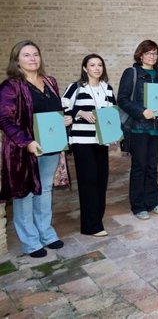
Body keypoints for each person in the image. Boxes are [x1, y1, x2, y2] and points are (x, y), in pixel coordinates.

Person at [0, 40, 71, 257]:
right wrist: (27, 142)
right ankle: (31, 242)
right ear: (17, 61)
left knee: (45, 190)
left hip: (49, 146)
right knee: (26, 193)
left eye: (36, 54)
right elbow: (5, 119)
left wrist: (63, 120)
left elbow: (54, 111)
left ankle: (47, 233)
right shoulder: (11, 86)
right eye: (27, 55)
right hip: (24, 150)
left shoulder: (50, 82)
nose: (33, 58)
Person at [62, 53, 116, 237]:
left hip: (102, 140)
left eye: (100, 65)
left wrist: (114, 131)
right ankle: (90, 226)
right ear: (85, 68)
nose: (97, 68)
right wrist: (80, 112)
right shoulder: (75, 87)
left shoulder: (107, 88)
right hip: (82, 141)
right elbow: (62, 106)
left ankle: (97, 219)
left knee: (101, 180)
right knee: (88, 181)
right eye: (92, 65)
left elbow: (113, 112)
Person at [118, 39, 158, 220]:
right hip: (139, 128)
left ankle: (153, 202)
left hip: (156, 128)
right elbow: (122, 99)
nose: (152, 56)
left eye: (155, 53)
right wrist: (142, 112)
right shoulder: (131, 73)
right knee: (139, 167)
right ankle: (138, 205)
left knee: (152, 167)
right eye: (148, 53)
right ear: (140, 54)